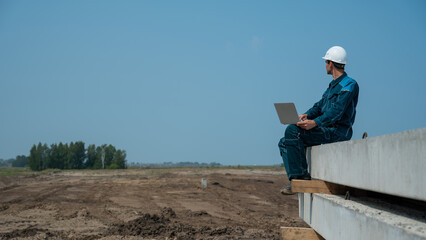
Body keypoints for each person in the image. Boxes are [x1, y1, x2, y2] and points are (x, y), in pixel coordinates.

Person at [278, 46, 359, 195]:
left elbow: (337, 111)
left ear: (330, 63)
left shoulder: (350, 84)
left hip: (337, 132)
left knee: (292, 131)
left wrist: (314, 123)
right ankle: (296, 179)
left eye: (326, 62)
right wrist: (306, 115)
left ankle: (301, 179)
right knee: (284, 142)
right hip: (325, 130)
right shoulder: (331, 87)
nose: (325, 65)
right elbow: (319, 106)